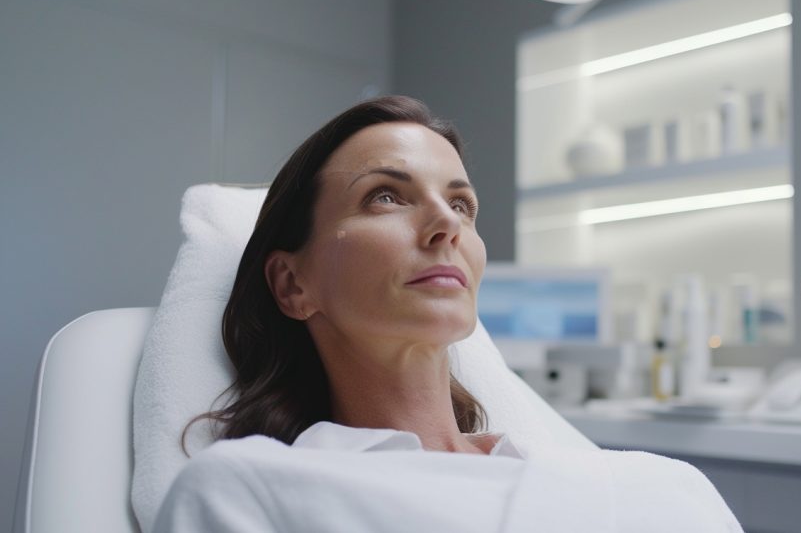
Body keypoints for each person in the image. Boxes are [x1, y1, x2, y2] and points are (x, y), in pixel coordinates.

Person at [154, 96, 743, 532]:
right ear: (292, 284)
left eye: (462, 204)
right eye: (385, 195)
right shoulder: (251, 489)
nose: (448, 226)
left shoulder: (651, 481)